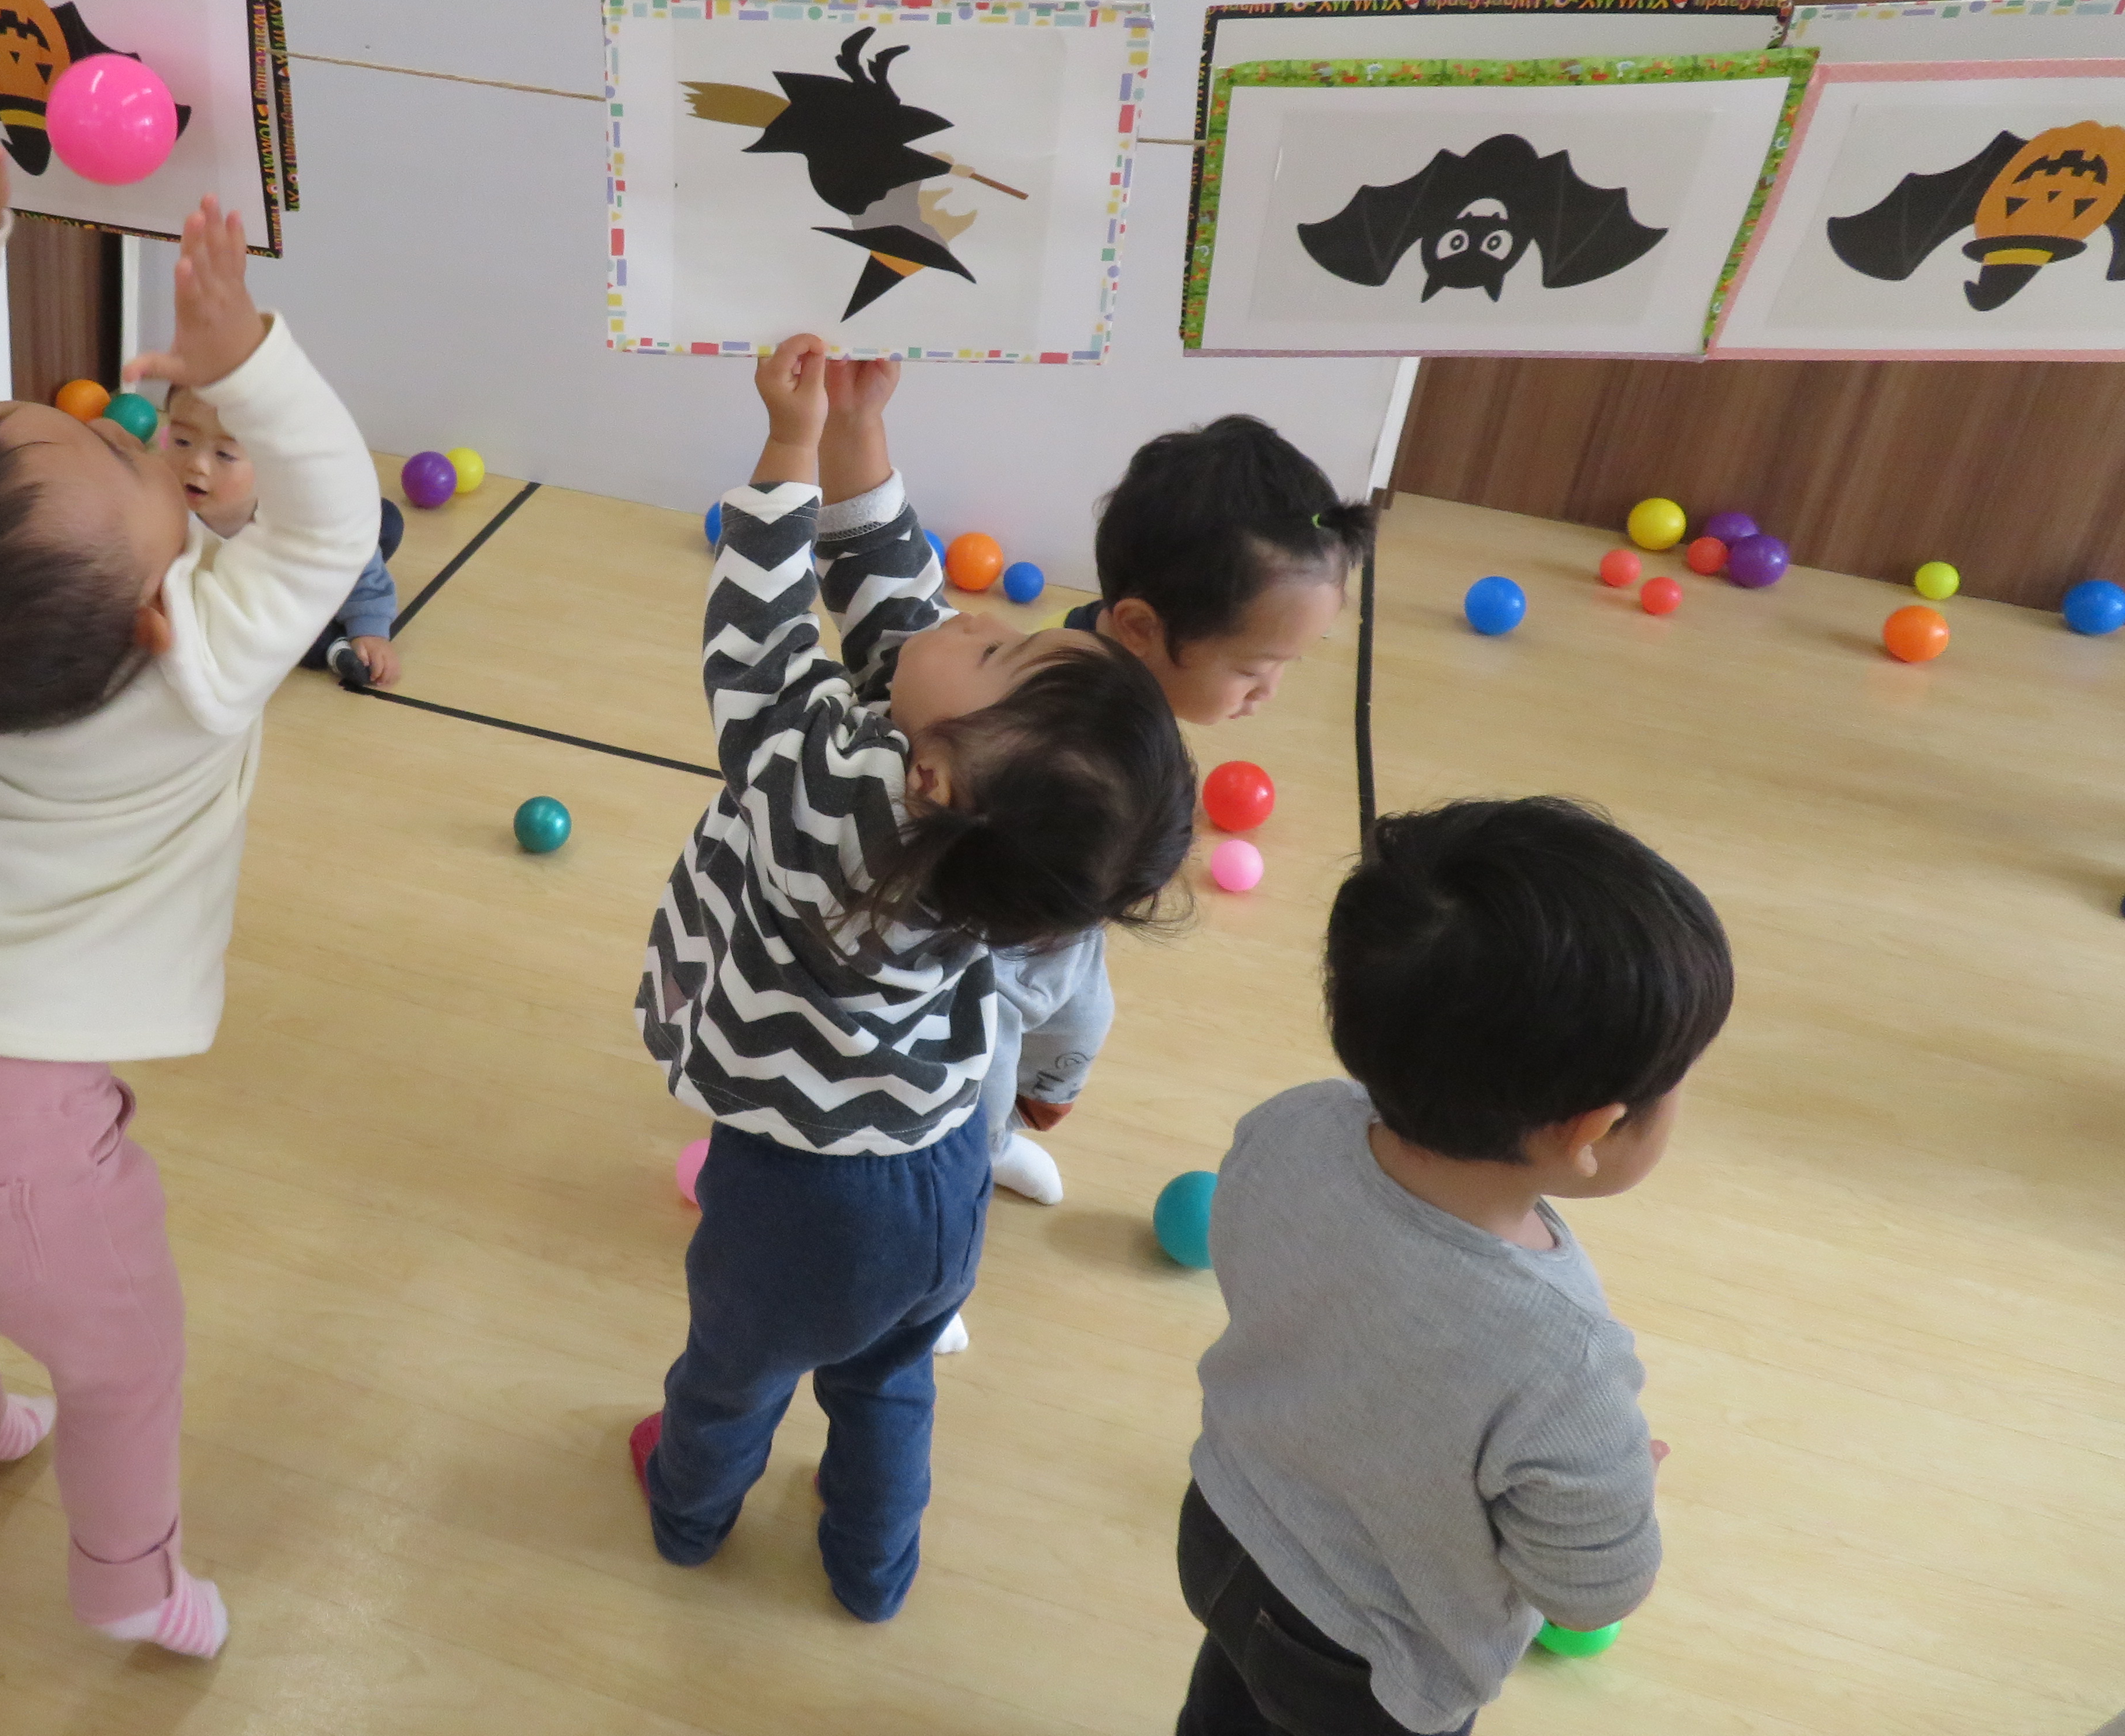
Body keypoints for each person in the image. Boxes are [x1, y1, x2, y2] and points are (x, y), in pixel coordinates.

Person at [0, 54, 377, 1661]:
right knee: (123, 1363)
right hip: (8, 1160)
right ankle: (131, 1586)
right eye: (124, 459)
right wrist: (253, 367)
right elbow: (332, 526)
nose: (124, 429)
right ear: (152, 613)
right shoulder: (191, 670)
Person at [631, 337, 1195, 1621]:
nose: (977, 623)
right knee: (887, 1383)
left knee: (731, 1376)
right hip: (938, 1167)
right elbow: (905, 619)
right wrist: (859, 438)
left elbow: (758, 654)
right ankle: (872, 1569)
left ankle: (686, 1511)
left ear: (930, 776)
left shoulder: (837, 807)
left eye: (998, 656)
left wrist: (786, 450)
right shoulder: (975, 830)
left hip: (802, 1191)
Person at [1179, 797, 1731, 1735]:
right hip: (1365, 1666)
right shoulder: (1561, 1358)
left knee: (1225, 1712)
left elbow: (1266, 1274)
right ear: (1591, 1132)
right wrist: (1615, 1483)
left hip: (1226, 1523)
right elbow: (1594, 1590)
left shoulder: (1293, 1121)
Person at [978, 416, 1374, 1217]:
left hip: (1068, 935)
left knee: (1079, 1028)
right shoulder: (1058, 720)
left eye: (1289, 665)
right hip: (994, 950)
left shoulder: (1129, 674)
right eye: (1255, 668)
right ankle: (960, 1173)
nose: (1270, 693)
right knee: (981, 1067)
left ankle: (997, 1133)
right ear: (1139, 629)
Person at [163, 381, 405, 689]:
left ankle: (334, 608)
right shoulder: (162, 509)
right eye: (182, 441)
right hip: (251, 605)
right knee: (267, 630)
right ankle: (332, 648)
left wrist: (370, 628)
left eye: (225, 454)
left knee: (384, 521)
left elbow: (355, 555)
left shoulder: (300, 507)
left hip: (294, 568)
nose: (197, 464)